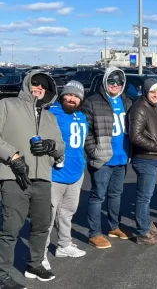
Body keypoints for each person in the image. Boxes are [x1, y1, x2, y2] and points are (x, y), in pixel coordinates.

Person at [0, 70, 65, 287]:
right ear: (27, 84)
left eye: (43, 86)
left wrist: (51, 146)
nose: (39, 88)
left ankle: (35, 264)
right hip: (14, 176)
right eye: (35, 83)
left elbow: (61, 146)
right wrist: (12, 156)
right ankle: (2, 272)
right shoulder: (8, 105)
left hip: (43, 178)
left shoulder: (50, 116)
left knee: (42, 225)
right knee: (11, 227)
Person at [82, 66, 132, 249]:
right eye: (111, 81)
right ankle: (94, 233)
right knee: (98, 196)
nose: (115, 85)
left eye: (118, 81)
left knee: (116, 195)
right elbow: (85, 130)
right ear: (105, 81)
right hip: (102, 160)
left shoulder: (126, 101)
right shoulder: (93, 101)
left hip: (122, 158)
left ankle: (114, 227)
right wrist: (93, 150)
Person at [43, 81, 87, 272]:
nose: (72, 98)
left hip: (76, 173)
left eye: (76, 96)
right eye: (68, 95)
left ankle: (64, 245)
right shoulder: (51, 113)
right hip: (54, 174)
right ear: (62, 96)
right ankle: (40, 254)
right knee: (46, 217)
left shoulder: (82, 116)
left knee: (67, 212)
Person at [128, 78, 157, 245]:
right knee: (144, 197)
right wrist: (156, 146)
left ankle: (146, 225)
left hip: (153, 158)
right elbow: (135, 135)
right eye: (153, 91)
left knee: (147, 196)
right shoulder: (139, 108)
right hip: (146, 158)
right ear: (145, 91)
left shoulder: (152, 107)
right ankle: (142, 233)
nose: (156, 95)